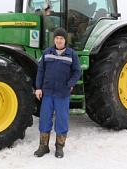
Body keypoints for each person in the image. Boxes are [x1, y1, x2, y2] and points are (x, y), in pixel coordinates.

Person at [34, 27, 82, 158]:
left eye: (61, 38)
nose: (59, 40)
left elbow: (77, 72)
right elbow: (41, 71)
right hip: (47, 92)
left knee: (61, 120)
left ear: (65, 40)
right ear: (54, 39)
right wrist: (38, 88)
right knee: (45, 119)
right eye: (56, 38)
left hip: (62, 94)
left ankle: (59, 147)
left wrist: (70, 84)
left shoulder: (71, 54)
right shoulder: (47, 53)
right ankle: (43, 147)